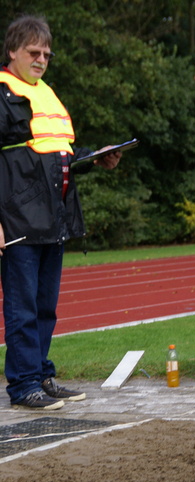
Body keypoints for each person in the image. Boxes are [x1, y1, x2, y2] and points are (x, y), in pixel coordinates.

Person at [0, 15, 121, 410]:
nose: (41, 60)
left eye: (46, 54)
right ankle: (22, 386)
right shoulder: (3, 94)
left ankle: (41, 374)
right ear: (12, 51)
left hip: (53, 221)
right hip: (17, 221)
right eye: (33, 53)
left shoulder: (45, 93)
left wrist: (93, 159)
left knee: (45, 306)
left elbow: (56, 156)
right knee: (23, 308)